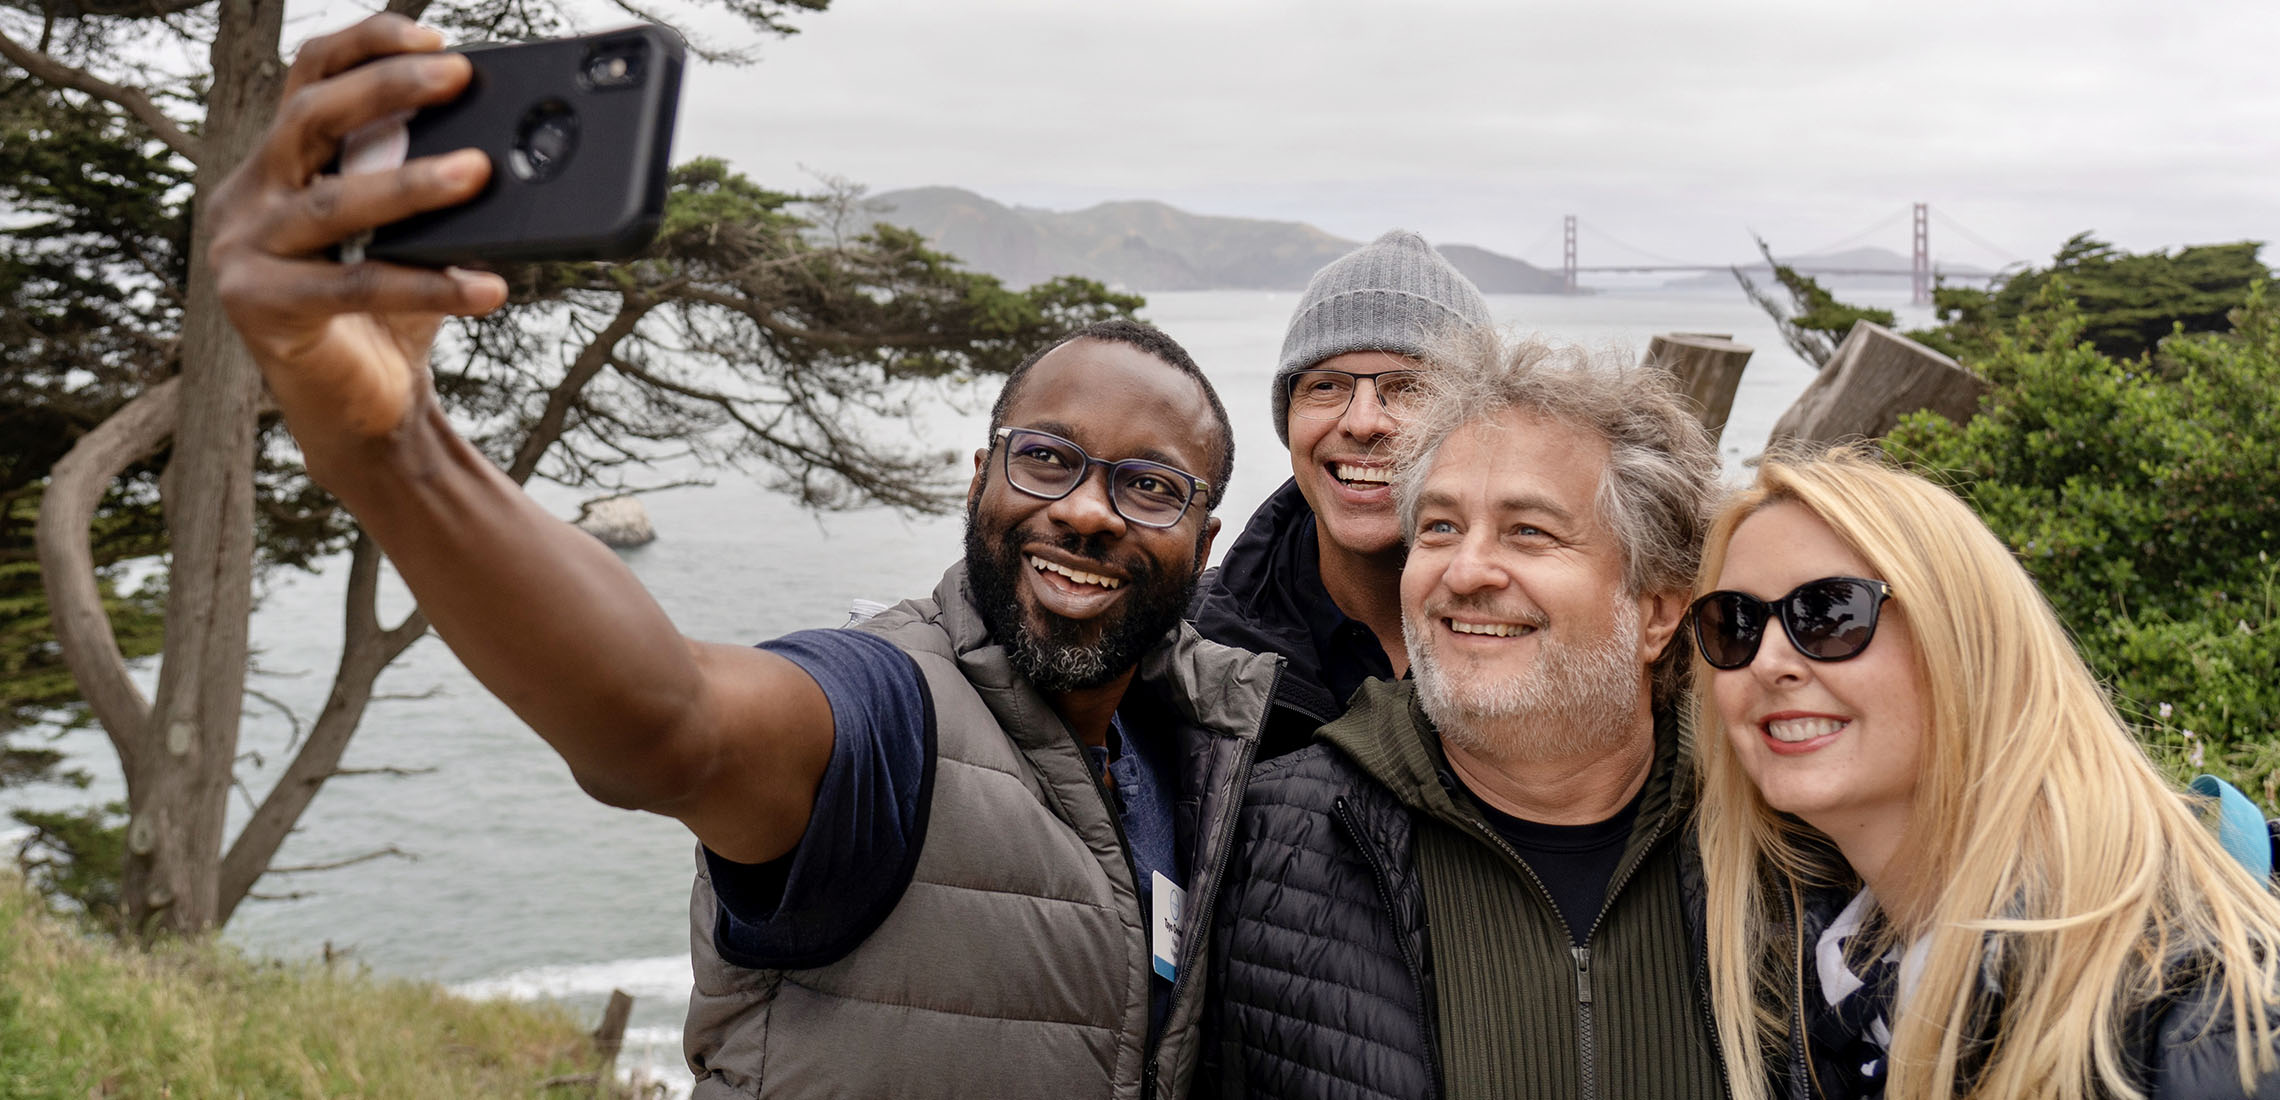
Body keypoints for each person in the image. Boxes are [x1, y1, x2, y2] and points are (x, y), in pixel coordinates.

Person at [205, 17, 1281, 1098]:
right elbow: (668, 722)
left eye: (1151, 485)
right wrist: (394, 447)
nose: (1087, 510)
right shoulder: (889, 712)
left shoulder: (1184, 742)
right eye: (1046, 457)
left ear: (1206, 542)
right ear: (979, 479)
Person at [1202, 327, 1730, 1098]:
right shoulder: (1266, 844)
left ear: (1656, 612)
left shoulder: (1771, 847)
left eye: (1529, 532)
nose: (1468, 571)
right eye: (1440, 527)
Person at [1691, 448, 2280, 1100]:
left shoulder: (2199, 1007)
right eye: (1735, 625)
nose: (1769, 661)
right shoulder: (1827, 989)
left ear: (1964, 638)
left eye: (1829, 613)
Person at [1188, 230, 1493, 757]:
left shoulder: (1544, 635)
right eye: (1326, 385)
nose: (1362, 421)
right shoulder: (1189, 643)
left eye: (1409, 387)